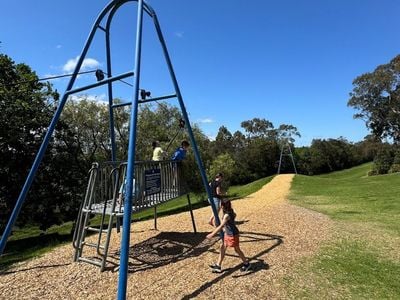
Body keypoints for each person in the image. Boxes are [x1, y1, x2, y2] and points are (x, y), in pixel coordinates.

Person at [206, 199, 251, 273]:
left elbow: (221, 225)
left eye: (221, 205)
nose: (220, 207)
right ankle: (218, 265)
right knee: (222, 247)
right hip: (228, 233)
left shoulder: (226, 215)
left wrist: (212, 234)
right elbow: (234, 215)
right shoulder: (230, 211)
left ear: (223, 206)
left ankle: (247, 264)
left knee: (237, 250)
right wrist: (229, 225)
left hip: (233, 235)